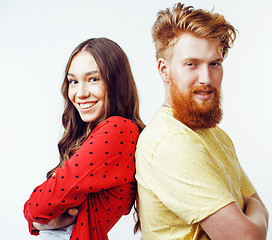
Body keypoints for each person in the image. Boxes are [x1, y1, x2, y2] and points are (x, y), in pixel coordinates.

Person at [135, 3, 269, 240]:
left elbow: (257, 213)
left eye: (214, 63)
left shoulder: (215, 134)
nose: (206, 78)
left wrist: (254, 211)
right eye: (191, 64)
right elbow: (248, 236)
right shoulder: (170, 142)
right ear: (164, 69)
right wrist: (251, 210)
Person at [24, 37, 145, 240]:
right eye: (73, 81)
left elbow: (38, 208)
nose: (80, 93)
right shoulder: (94, 134)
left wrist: (32, 216)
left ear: (116, 83)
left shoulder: (119, 129)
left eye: (93, 79)